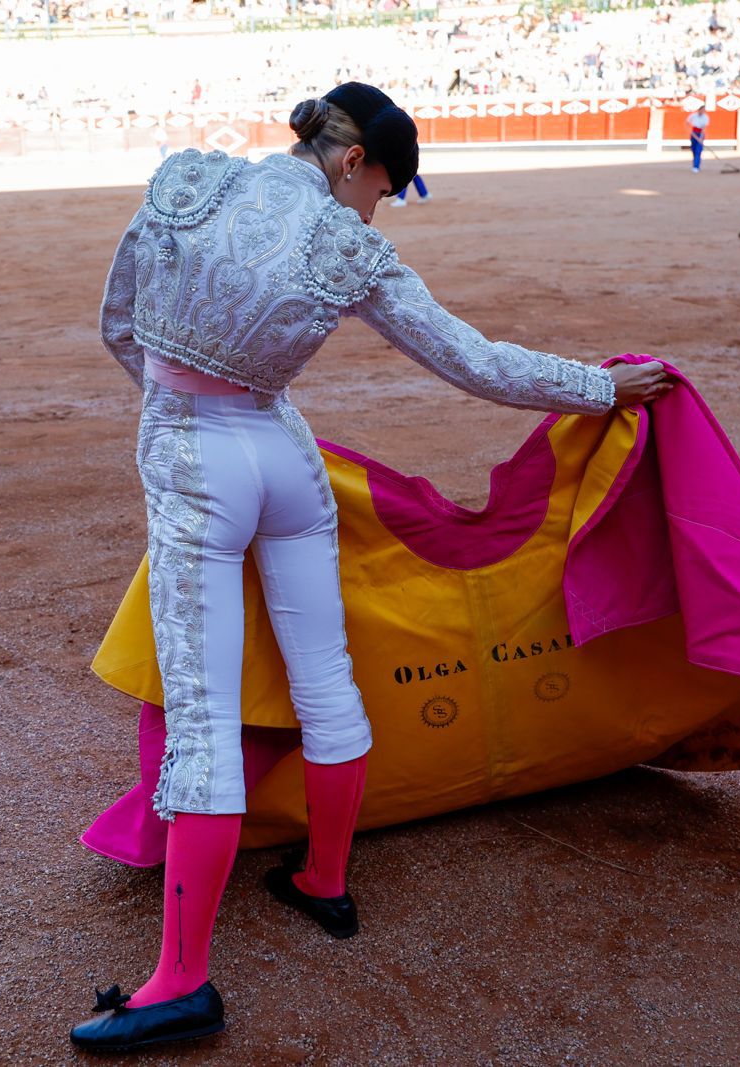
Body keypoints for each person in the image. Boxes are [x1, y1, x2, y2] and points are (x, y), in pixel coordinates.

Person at [78, 81, 672, 1053]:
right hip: (286, 457)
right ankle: (324, 877)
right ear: (353, 161)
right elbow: (474, 360)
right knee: (326, 677)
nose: (377, 211)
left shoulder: (186, 184)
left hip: (194, 455)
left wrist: (185, 397)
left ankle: (182, 980)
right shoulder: (347, 245)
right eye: (384, 190)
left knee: (203, 714)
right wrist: (601, 388)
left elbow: (117, 325)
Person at [685, 105, 709, 172]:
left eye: (704, 110)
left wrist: (700, 137)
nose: (703, 111)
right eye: (702, 110)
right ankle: (696, 162)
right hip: (693, 133)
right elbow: (687, 123)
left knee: (698, 150)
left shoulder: (705, 117)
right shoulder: (693, 115)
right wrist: (691, 132)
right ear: (699, 110)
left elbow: (704, 128)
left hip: (701, 134)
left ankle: (696, 166)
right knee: (694, 150)